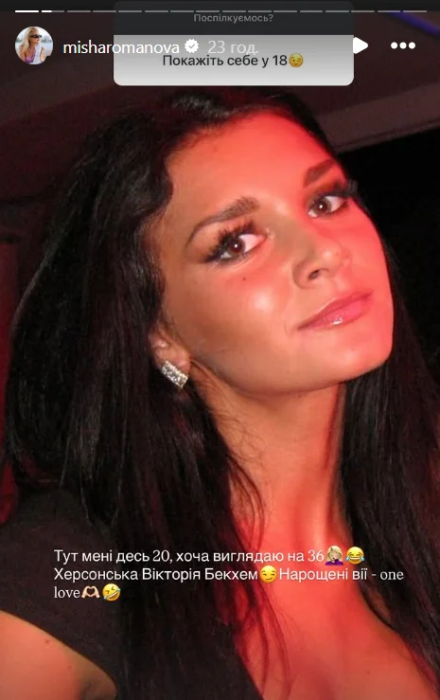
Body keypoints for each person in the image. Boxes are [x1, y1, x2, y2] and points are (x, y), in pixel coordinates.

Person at [1, 86, 440, 700]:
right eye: (236, 241)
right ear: (161, 335)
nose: (325, 251)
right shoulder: (74, 564)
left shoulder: (420, 514)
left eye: (326, 200)